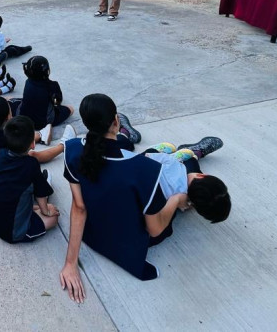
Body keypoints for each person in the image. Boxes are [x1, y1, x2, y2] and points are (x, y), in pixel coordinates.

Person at [59, 94, 188, 294]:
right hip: (128, 241)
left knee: (127, 151)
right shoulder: (145, 169)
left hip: (94, 235)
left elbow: (79, 207)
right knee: (185, 172)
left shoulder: (72, 150)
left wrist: (70, 263)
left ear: (86, 123)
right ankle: (186, 157)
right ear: (116, 121)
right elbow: (155, 230)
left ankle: (145, 145)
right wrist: (177, 199)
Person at [0, 116, 59, 243]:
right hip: (11, 231)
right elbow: (41, 195)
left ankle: (30, 209)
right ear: (33, 144)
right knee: (53, 219)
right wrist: (46, 211)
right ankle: (34, 211)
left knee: (10, 190)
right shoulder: (31, 165)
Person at [0, 97, 73, 176]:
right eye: (10, 112)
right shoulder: (1, 139)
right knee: (32, 155)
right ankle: (64, 145)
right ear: (6, 118)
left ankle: (40, 136)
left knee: (19, 134)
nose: (12, 114)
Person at [18, 56, 74, 144]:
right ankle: (47, 128)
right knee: (70, 108)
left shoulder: (27, 82)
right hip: (43, 121)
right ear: (47, 71)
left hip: (23, 116)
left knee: (13, 100)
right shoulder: (52, 85)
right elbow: (57, 102)